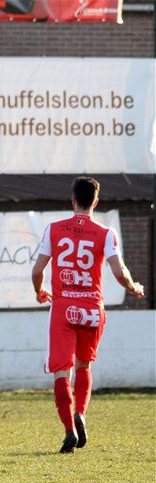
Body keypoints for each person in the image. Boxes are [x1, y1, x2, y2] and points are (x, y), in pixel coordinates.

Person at [31, 176, 144, 454]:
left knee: (61, 372)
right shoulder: (105, 233)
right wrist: (133, 286)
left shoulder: (54, 229)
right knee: (84, 366)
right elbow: (119, 272)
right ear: (95, 201)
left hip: (63, 307)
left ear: (72, 200)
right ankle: (81, 411)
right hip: (92, 308)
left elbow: (37, 271)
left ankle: (69, 430)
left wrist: (39, 291)